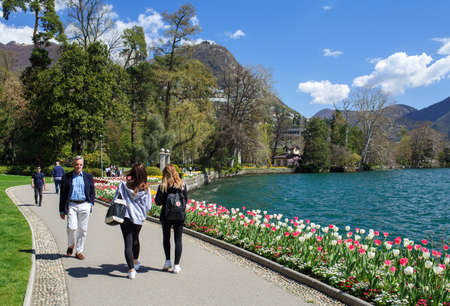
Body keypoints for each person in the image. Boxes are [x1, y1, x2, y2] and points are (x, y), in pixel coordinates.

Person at [112, 163, 151, 279]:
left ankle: (131, 270)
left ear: (132, 173)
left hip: (126, 216)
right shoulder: (145, 188)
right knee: (136, 239)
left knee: (127, 243)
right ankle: (135, 261)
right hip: (138, 218)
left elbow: (115, 200)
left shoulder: (123, 185)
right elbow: (148, 206)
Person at [59, 156, 95, 260]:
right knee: (72, 227)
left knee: (83, 229)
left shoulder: (88, 177)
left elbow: (92, 192)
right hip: (71, 205)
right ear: (73, 164)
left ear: (83, 165)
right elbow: (63, 195)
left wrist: (91, 204)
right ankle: (71, 245)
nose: (78, 166)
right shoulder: (66, 177)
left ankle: (79, 251)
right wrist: (62, 210)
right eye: (76, 164)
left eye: (80, 164)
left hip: (85, 205)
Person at [155, 164, 188, 274]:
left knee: (166, 238)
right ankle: (177, 265)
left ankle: (168, 261)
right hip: (179, 215)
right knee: (178, 240)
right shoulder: (182, 185)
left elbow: (158, 202)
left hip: (166, 215)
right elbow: (185, 201)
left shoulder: (163, 186)